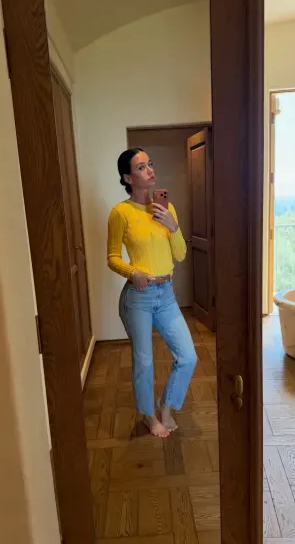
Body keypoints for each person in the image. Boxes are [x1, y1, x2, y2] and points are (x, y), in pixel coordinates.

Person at [107, 147, 197, 438]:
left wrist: (173, 226)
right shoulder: (121, 213)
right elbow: (112, 257)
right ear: (127, 178)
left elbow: (180, 255)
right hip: (139, 297)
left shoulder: (166, 209)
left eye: (150, 164)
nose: (150, 170)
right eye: (141, 167)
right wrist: (132, 272)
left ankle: (165, 406)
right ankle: (148, 416)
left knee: (188, 356)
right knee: (144, 361)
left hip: (166, 294)